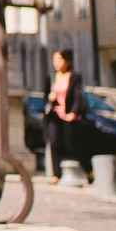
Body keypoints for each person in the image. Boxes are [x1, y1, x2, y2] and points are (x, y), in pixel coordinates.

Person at [44, 49, 88, 181]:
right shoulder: (51, 77)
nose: (56, 63)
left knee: (72, 145)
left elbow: (77, 95)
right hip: (54, 114)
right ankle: (56, 174)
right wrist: (49, 98)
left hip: (68, 115)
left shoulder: (74, 76)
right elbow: (45, 96)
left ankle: (88, 169)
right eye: (54, 60)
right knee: (55, 143)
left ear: (68, 61)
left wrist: (73, 112)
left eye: (60, 60)